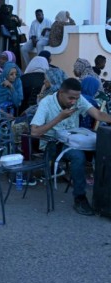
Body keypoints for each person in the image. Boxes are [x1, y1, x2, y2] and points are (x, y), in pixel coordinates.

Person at [30, 78, 111, 215]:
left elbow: (97, 114)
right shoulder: (47, 103)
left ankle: (104, 197)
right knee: (78, 156)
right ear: (61, 92)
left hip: (73, 140)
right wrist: (59, 118)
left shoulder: (78, 99)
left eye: (76, 98)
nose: (73, 101)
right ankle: (80, 198)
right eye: (70, 98)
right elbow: (34, 132)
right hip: (52, 142)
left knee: (103, 149)